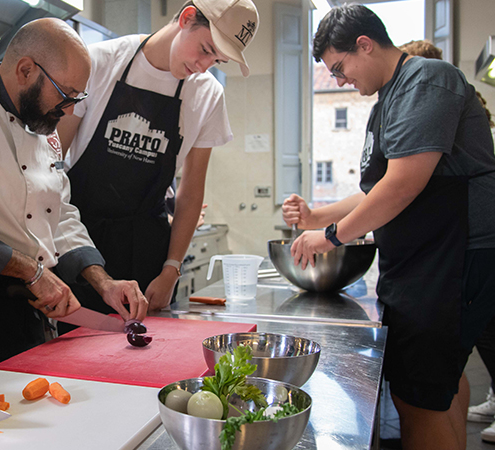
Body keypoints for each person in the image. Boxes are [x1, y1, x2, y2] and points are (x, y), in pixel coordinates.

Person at [284, 5, 495, 450]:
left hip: (449, 261)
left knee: (419, 400)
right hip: (427, 261)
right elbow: (379, 188)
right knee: (441, 390)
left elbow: (402, 187)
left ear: (365, 44)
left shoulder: (426, 80)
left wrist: (332, 237)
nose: (339, 80)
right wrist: (318, 217)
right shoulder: (390, 98)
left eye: (340, 68)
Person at [0, 18, 148, 376]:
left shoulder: (41, 120)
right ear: (25, 70)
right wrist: (29, 269)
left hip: (29, 303)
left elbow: (58, 212)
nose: (70, 110)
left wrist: (103, 282)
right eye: (65, 95)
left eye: (77, 98)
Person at [56, 0, 258, 316]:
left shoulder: (207, 95)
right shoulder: (100, 62)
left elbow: (191, 193)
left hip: (148, 251)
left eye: (218, 60)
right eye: (206, 49)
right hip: (81, 241)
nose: (204, 66)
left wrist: (171, 268)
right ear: (187, 17)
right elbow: (53, 163)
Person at [399, 39, 495, 444]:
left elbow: (402, 184)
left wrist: (333, 231)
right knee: (453, 370)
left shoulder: (434, 92)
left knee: (431, 385)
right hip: (465, 252)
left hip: (464, 252)